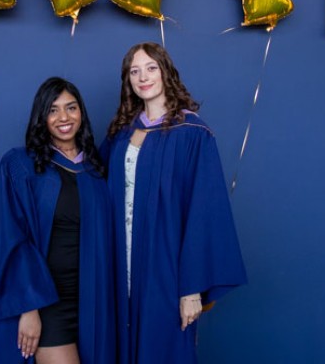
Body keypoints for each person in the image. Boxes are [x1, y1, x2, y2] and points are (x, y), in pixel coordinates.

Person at [102, 42, 247, 364]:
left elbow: (204, 213)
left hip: (164, 268)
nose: (143, 77)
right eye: (134, 71)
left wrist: (191, 289)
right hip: (118, 265)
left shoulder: (192, 133)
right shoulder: (120, 135)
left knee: (162, 349)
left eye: (151, 68)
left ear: (166, 72)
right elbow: (95, 193)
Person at [0, 77, 115, 364]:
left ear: (81, 113)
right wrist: (29, 307)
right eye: (53, 110)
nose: (64, 117)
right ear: (41, 117)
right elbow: (12, 238)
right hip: (47, 301)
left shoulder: (96, 169)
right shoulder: (22, 166)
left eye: (71, 108)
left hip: (92, 299)